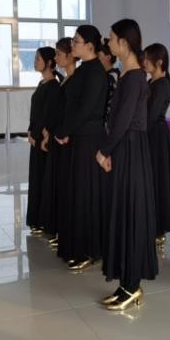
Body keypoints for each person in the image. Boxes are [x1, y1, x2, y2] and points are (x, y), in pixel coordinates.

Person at [96, 19, 159, 311]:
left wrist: (104, 150)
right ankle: (125, 283)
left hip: (131, 149)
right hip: (124, 147)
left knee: (130, 214)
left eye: (111, 39)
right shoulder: (128, 74)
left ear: (123, 42)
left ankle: (132, 286)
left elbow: (122, 121)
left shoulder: (134, 76)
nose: (108, 44)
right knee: (121, 214)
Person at [53, 26, 108, 271]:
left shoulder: (96, 72)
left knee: (86, 194)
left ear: (90, 46)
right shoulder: (84, 69)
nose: (72, 44)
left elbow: (86, 110)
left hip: (89, 139)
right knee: (75, 193)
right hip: (77, 137)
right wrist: (64, 129)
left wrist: (64, 131)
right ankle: (75, 245)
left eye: (76, 41)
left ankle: (88, 249)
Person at [144, 43, 170, 243]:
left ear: (159, 62)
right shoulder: (151, 82)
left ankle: (158, 227)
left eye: (147, 59)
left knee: (157, 180)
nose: (144, 62)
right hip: (150, 133)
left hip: (155, 136)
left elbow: (151, 116)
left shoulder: (161, 85)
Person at [41, 38, 76, 249]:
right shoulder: (64, 80)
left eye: (59, 54)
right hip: (56, 136)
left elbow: (72, 112)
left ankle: (65, 231)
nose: (55, 58)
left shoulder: (75, 79)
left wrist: (62, 132)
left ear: (71, 56)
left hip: (65, 139)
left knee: (65, 186)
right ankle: (59, 228)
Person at [26, 47, 62, 236]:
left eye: (38, 59)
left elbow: (48, 115)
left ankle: (43, 220)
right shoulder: (42, 83)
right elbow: (36, 112)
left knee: (43, 178)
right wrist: (30, 130)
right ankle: (36, 219)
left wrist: (38, 135)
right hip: (35, 136)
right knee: (36, 177)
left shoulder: (54, 86)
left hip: (43, 140)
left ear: (49, 63)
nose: (35, 61)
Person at [98, 39, 119, 126]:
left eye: (99, 55)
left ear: (108, 57)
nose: (96, 59)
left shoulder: (112, 76)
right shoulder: (105, 75)